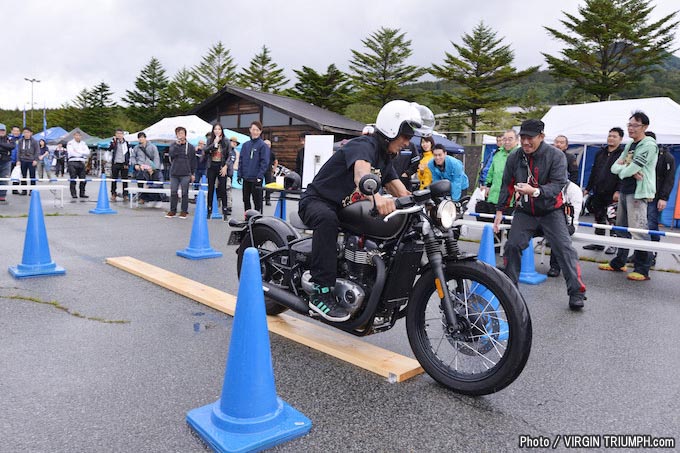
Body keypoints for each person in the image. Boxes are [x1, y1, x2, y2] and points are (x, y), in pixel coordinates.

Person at [298, 100, 430, 322]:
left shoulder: (385, 158)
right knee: (327, 220)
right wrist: (377, 197)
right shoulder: (363, 145)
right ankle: (320, 292)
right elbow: (361, 175)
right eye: (405, 137)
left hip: (342, 207)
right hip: (317, 200)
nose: (407, 143)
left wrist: (423, 206)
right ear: (391, 130)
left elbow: (398, 188)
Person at [493, 119, 586, 310]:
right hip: (526, 211)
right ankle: (511, 291)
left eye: (531, 138)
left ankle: (576, 292)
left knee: (564, 248)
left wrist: (535, 191)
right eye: (523, 138)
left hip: (551, 210)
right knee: (512, 245)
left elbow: (558, 184)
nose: (526, 143)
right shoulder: (515, 157)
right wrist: (500, 210)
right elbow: (507, 185)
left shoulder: (556, 156)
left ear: (542, 137)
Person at [598, 112, 658, 281]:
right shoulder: (631, 143)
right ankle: (619, 262)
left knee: (638, 230)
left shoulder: (649, 144)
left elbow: (632, 167)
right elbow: (615, 167)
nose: (631, 128)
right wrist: (627, 171)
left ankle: (643, 268)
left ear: (644, 127)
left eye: (635, 125)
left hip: (638, 192)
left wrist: (626, 170)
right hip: (625, 190)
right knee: (621, 228)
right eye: (629, 125)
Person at [582, 127, 625, 254]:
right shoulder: (600, 153)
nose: (611, 138)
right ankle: (598, 242)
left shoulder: (622, 154)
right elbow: (594, 172)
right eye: (610, 135)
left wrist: (619, 190)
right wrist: (588, 188)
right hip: (598, 190)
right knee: (598, 217)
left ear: (620, 139)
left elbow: (623, 174)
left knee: (612, 218)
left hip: (612, 192)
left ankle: (613, 244)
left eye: (614, 136)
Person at [646, 132, 676, 267]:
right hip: (640, 195)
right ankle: (639, 254)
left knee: (651, 225)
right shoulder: (639, 154)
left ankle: (652, 254)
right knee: (639, 226)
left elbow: (669, 179)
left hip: (655, 196)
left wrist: (664, 198)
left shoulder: (666, 157)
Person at [477, 130, 519, 218]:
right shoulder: (497, 153)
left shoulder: (521, 155)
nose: (507, 142)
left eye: (510, 139)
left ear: (517, 140)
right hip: (494, 195)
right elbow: (491, 172)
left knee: (507, 225)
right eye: (504, 139)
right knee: (492, 224)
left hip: (511, 197)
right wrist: (487, 185)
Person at [547, 180, 583, 277]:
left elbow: (573, 215)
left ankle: (555, 266)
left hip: (568, 223)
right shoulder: (548, 185)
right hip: (547, 220)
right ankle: (514, 262)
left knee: (558, 232)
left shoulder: (574, 190)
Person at [237, 121, 270, 213]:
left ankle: (257, 218)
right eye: (253, 129)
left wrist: (260, 175)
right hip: (246, 177)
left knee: (257, 200)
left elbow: (265, 162)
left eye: (257, 130)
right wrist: (240, 174)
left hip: (256, 178)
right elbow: (241, 160)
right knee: (245, 199)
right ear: (250, 130)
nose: (255, 132)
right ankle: (247, 218)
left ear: (260, 131)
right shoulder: (245, 145)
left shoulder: (263, 145)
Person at [204, 123, 235, 218]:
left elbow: (230, 155)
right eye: (215, 129)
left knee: (223, 188)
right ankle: (209, 209)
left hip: (222, 166)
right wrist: (215, 143)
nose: (217, 131)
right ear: (213, 130)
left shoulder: (226, 141)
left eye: (219, 129)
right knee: (210, 188)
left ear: (222, 130)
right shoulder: (210, 140)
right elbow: (205, 151)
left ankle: (225, 210)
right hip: (212, 165)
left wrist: (226, 166)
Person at [165, 127, 196, 219]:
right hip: (174, 172)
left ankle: (184, 211)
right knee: (173, 191)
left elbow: (193, 160)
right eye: (178, 133)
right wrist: (177, 145)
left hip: (186, 173)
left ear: (185, 135)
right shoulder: (173, 145)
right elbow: (171, 155)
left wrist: (193, 173)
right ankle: (172, 210)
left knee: (184, 193)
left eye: (182, 133)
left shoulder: (190, 147)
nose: (180, 135)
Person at [131, 132, 162, 207]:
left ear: (145, 138)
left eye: (142, 137)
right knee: (140, 182)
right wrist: (135, 164)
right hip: (141, 167)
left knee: (151, 183)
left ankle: (153, 198)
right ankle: (142, 198)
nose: (141, 139)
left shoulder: (152, 146)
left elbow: (156, 157)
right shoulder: (136, 148)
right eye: (139, 138)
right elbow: (133, 157)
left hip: (150, 168)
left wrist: (155, 167)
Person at [108, 129, 130, 201]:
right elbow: (109, 149)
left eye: (121, 133)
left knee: (125, 179)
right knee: (114, 179)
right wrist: (113, 142)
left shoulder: (126, 143)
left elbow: (129, 153)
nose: (119, 135)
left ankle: (125, 194)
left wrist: (127, 163)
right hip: (116, 163)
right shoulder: (114, 142)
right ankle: (113, 193)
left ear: (123, 135)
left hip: (124, 163)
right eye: (118, 133)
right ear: (116, 134)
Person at [17, 127, 41, 195]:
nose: (26, 134)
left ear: (31, 133)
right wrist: (18, 160)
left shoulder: (35, 141)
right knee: (23, 176)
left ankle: (32, 190)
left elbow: (37, 151)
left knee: (32, 176)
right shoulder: (21, 141)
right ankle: (24, 190)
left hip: (31, 160)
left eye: (27, 132)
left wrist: (36, 160)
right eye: (24, 132)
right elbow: (18, 151)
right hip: (23, 160)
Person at [66, 131, 90, 199]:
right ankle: (73, 193)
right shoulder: (70, 143)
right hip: (72, 161)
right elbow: (72, 153)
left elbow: (87, 152)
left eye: (79, 135)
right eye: (76, 135)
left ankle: (82, 193)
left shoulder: (83, 143)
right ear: (74, 136)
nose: (78, 137)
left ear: (81, 136)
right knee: (73, 178)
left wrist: (78, 151)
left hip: (81, 162)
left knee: (83, 179)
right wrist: (82, 153)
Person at [0, 124, 15, 202]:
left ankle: (2, 195)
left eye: (3, 130)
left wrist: (2, 145)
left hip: (6, 161)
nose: (2, 132)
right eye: (0, 130)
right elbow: (7, 147)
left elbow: (12, 146)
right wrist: (5, 147)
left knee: (4, 179)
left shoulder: (9, 138)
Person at [263, 139, 278, 206]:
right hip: (261, 170)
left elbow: (276, 162)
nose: (267, 146)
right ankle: (259, 198)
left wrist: (273, 170)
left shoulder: (271, 153)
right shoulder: (261, 151)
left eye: (269, 145)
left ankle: (267, 199)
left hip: (268, 170)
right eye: (266, 144)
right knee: (258, 185)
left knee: (268, 185)